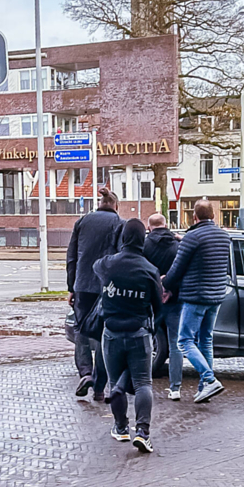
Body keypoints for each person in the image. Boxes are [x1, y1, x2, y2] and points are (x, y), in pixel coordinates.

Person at [93, 219, 163, 453]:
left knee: (115, 383)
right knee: (143, 383)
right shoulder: (149, 269)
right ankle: (142, 432)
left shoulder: (107, 265)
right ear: (143, 239)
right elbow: (158, 304)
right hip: (138, 333)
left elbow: (96, 267)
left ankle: (121, 427)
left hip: (111, 333)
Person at [162, 200, 232, 403]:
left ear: (194, 217)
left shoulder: (192, 237)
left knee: (184, 341)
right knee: (206, 340)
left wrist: (165, 283)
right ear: (214, 216)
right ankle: (204, 387)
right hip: (216, 296)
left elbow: (177, 269)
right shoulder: (223, 235)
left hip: (196, 296)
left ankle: (209, 380)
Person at [67, 187, 123, 401]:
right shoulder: (119, 224)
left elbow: (71, 256)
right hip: (107, 287)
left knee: (81, 330)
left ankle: (85, 373)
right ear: (115, 205)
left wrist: (71, 287)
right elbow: (120, 257)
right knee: (103, 334)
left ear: (100, 203)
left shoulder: (82, 222)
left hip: (82, 285)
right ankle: (99, 387)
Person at [143, 213, 184, 401]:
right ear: (166, 224)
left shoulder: (144, 245)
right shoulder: (178, 245)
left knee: (144, 340)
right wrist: (169, 289)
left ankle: (140, 383)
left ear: (149, 227)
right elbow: (183, 271)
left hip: (150, 301)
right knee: (175, 343)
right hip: (174, 299)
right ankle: (175, 388)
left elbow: (141, 271)